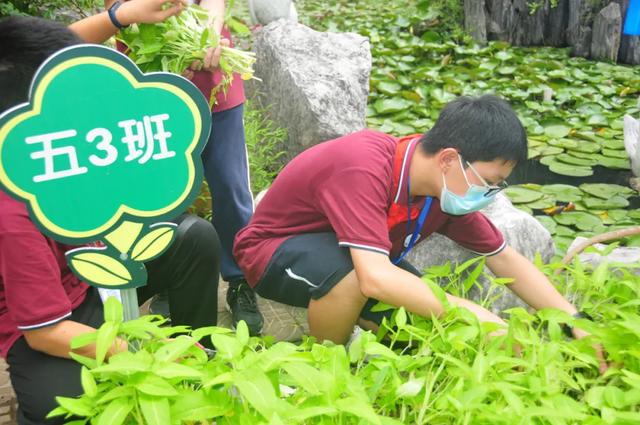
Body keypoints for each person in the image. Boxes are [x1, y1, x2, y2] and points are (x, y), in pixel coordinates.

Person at [233, 95, 604, 363]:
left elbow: (503, 258)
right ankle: (326, 365)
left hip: (354, 255)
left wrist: (573, 321)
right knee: (355, 279)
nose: (488, 194)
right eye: (488, 181)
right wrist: (480, 317)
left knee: (426, 334)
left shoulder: (440, 193)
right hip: (272, 252)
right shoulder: (363, 164)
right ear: (448, 159)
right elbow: (376, 279)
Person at [0, 11, 221, 424]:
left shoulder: (66, 139)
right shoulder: (11, 210)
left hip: (99, 268)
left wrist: (123, 15)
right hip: (49, 313)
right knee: (60, 403)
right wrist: (151, 354)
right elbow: (46, 332)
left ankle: (201, 355)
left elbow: (56, 52)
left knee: (194, 238)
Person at [106, 0, 264, 335]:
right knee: (162, 189)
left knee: (229, 184)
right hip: (152, 81)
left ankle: (239, 280)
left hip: (214, 75)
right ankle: (170, 273)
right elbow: (118, 9)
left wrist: (206, 34)